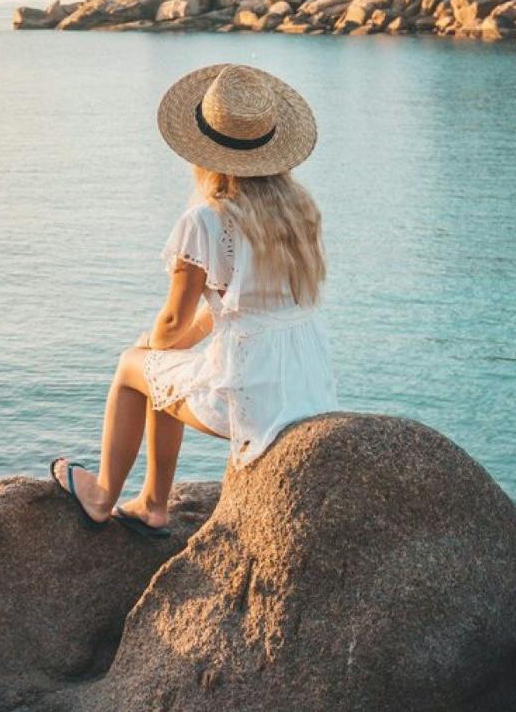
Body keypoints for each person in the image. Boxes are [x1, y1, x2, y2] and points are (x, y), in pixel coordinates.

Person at [50, 62, 337, 536]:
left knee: (130, 368)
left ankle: (102, 495)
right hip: (306, 385)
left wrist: (154, 344)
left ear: (203, 151)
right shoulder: (299, 209)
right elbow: (240, 306)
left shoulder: (206, 219)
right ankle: (151, 504)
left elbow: (172, 319)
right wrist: (171, 345)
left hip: (250, 394)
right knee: (165, 367)